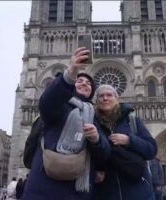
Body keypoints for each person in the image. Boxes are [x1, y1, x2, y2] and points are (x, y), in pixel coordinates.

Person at [22, 47, 111, 200]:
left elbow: (104, 154)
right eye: (79, 81)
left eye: (89, 83)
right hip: (45, 189)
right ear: (72, 85)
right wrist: (70, 73)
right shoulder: (60, 105)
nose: (84, 84)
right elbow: (47, 102)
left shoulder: (94, 116)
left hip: (79, 192)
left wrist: (97, 139)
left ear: (92, 92)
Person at [93, 84, 158, 200]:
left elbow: (152, 149)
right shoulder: (92, 123)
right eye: (101, 96)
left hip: (138, 192)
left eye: (109, 95)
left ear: (117, 99)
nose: (105, 98)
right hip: (106, 193)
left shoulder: (132, 120)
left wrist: (129, 140)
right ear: (96, 101)